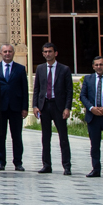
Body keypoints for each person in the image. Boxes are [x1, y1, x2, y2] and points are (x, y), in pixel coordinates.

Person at [33, 41, 73, 175]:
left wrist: (67, 108)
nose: (47, 54)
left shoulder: (64, 69)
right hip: (45, 106)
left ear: (55, 53)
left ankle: (66, 166)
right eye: (45, 52)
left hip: (58, 106)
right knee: (45, 137)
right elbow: (37, 88)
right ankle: (46, 165)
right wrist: (35, 106)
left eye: (50, 51)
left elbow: (69, 91)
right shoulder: (40, 68)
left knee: (63, 137)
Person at [0, 44, 28, 171]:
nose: (7, 54)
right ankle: (0, 161)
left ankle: (18, 162)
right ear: (1, 53)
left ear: (13, 53)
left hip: (16, 107)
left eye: (9, 51)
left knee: (17, 136)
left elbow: (24, 89)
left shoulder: (20, 69)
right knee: (0, 136)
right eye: (5, 51)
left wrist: (25, 108)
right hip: (0, 107)